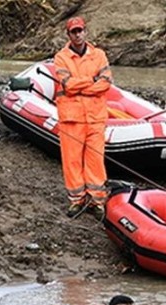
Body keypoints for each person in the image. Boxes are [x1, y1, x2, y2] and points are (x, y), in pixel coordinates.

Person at [53, 16, 113, 220]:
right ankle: (76, 200)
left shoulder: (99, 55)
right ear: (68, 35)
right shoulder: (61, 57)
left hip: (95, 118)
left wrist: (81, 87)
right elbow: (67, 85)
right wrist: (91, 81)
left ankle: (97, 201)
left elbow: (105, 83)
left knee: (95, 160)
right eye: (74, 32)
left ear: (85, 31)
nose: (78, 35)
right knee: (72, 161)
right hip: (71, 119)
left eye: (80, 31)